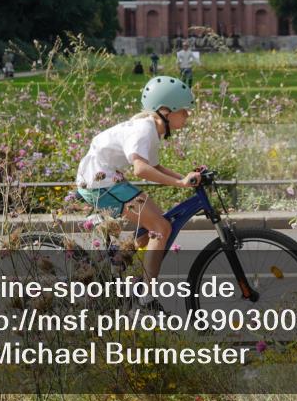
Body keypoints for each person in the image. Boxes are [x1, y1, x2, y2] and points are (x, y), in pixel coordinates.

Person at [75, 76, 202, 312]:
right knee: (161, 228)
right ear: (165, 111)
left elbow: (154, 167)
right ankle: (146, 300)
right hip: (99, 183)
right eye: (183, 110)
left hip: (109, 179)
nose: (188, 115)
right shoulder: (144, 130)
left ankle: (119, 265)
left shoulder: (152, 130)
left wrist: (184, 178)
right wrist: (180, 183)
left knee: (152, 227)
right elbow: (141, 169)